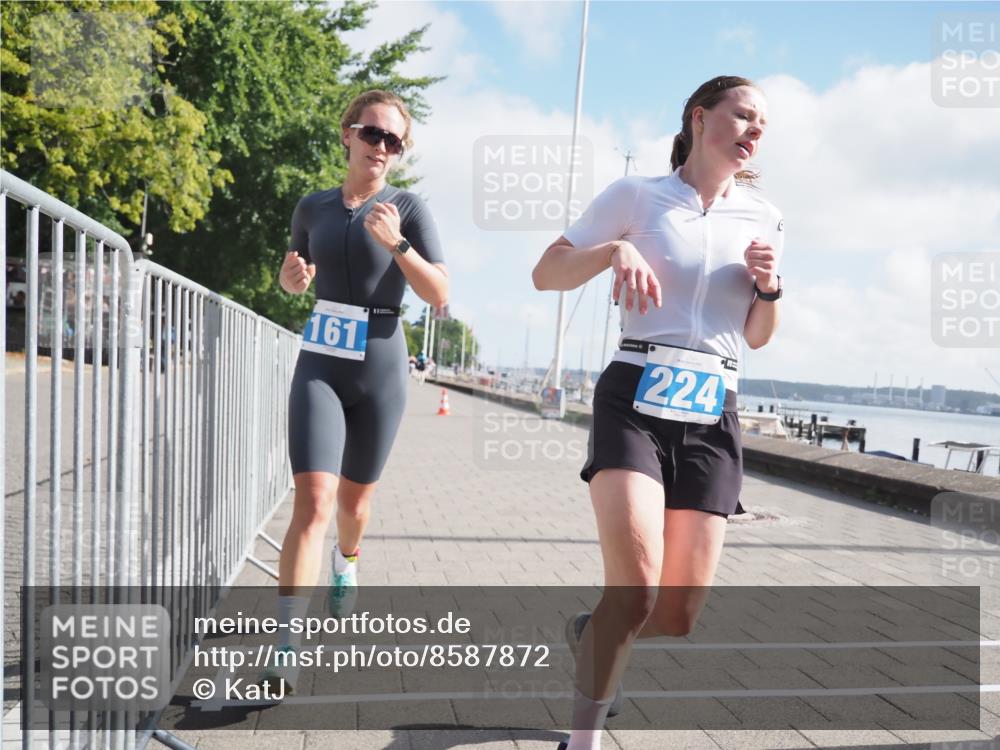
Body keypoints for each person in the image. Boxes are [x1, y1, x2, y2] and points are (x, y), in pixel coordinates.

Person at [532, 76, 784, 750]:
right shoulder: (636, 196)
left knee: (675, 612)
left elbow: (757, 335)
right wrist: (614, 249)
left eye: (763, 122)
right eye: (744, 114)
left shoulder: (763, 215)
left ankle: (593, 631)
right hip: (635, 396)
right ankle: (581, 738)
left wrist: (770, 287)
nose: (755, 129)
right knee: (637, 588)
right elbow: (546, 273)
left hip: (714, 408)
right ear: (701, 118)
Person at [261, 90, 449, 694]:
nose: (382, 148)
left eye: (395, 142)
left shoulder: (408, 207)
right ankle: (287, 643)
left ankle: (349, 560)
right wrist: (291, 280)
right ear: (347, 134)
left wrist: (398, 244)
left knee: (353, 507)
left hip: (381, 368)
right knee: (312, 502)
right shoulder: (311, 206)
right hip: (320, 362)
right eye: (373, 134)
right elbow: (296, 274)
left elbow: (440, 294)